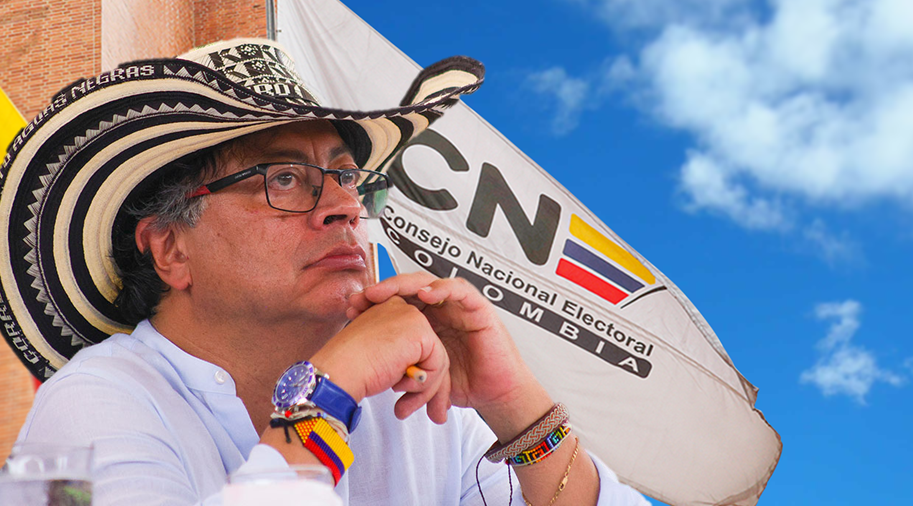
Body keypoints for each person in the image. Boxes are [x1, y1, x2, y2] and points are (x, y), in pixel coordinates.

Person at [1, 38, 649, 505]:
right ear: (170, 249)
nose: (343, 205)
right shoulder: (81, 410)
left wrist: (517, 408)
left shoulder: (414, 399)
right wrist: (326, 394)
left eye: (345, 177)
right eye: (283, 178)